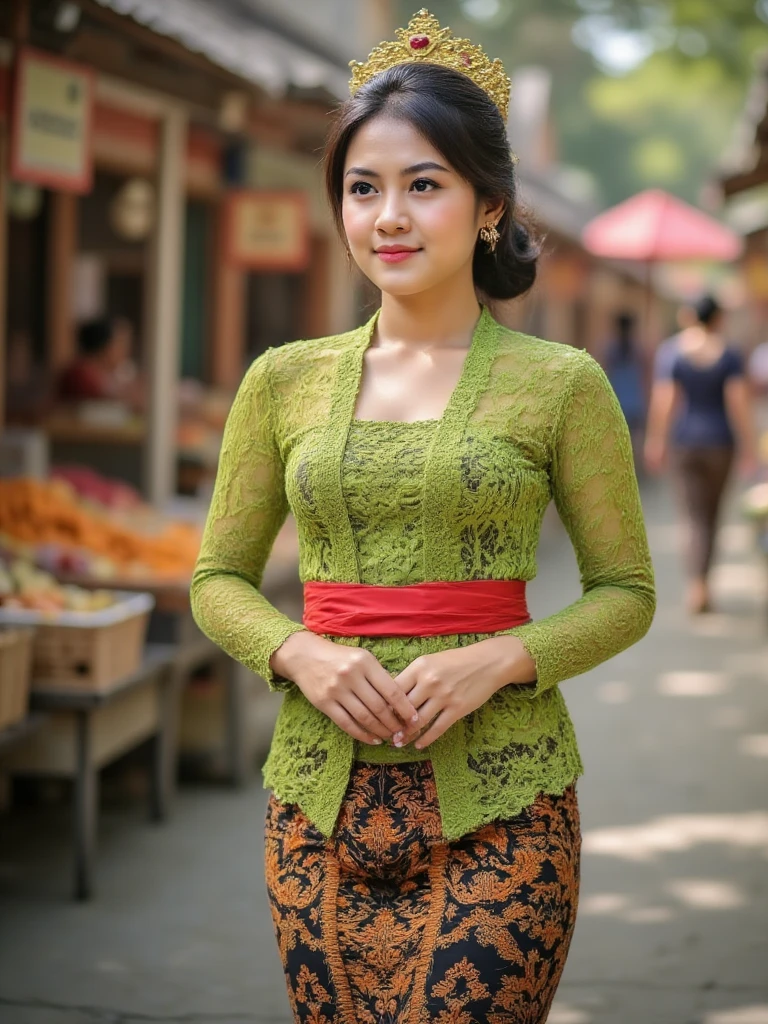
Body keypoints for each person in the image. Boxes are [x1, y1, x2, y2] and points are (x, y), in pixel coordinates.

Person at [191, 11, 655, 1023]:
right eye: (364, 188)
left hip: (505, 799)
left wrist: (499, 657)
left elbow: (626, 594)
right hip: (315, 801)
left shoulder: (562, 384)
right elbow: (214, 579)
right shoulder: (282, 381)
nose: (388, 216)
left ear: (487, 204)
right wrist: (299, 653)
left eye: (423, 184)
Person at [645, 294, 756, 614]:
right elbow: (738, 403)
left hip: (686, 443)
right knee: (711, 515)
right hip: (721, 443)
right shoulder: (730, 354)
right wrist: (750, 446)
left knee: (692, 517)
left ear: (691, 316)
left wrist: (656, 440)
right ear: (718, 318)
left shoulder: (672, 352)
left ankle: (696, 586)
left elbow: (665, 401)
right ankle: (704, 584)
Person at [56, 317, 142, 409]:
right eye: (121, 344)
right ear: (104, 346)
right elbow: (123, 399)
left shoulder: (104, 372)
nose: (126, 351)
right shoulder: (81, 372)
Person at [601, 312, 648, 469]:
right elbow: (643, 376)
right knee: (632, 438)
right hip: (633, 400)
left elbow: (605, 374)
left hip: (616, 398)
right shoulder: (637, 350)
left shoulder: (611, 349)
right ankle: (631, 467)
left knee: (616, 438)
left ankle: (619, 466)